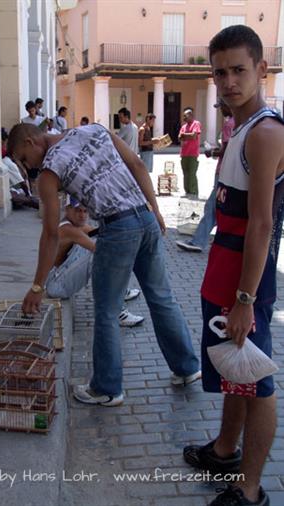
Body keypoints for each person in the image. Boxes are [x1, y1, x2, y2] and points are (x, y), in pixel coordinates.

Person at [7, 121, 201, 407]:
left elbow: (50, 235)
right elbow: (136, 163)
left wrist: (37, 285)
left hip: (118, 227)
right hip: (144, 219)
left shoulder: (49, 172)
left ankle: (107, 388)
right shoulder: (95, 130)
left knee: (107, 311)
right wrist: (155, 210)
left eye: (24, 159)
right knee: (162, 298)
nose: (28, 166)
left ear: (29, 143)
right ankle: (186, 368)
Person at [183, 25, 284, 506]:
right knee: (236, 372)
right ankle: (225, 451)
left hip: (246, 280)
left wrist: (245, 299)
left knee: (257, 381)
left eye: (239, 70)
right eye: (219, 72)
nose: (228, 81)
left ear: (261, 69)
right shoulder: (240, 126)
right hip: (225, 269)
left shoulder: (265, 131)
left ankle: (249, 489)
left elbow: (262, 224)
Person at [46, 196, 144, 327]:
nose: (82, 215)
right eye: (78, 211)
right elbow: (98, 249)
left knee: (102, 243)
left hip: (58, 278)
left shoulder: (75, 225)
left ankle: (121, 290)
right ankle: (118, 312)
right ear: (67, 209)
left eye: (85, 211)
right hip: (57, 286)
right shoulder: (68, 230)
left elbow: (101, 232)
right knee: (99, 257)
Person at [176, 100, 234, 252]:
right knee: (219, 209)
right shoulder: (241, 123)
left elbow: (226, 150)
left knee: (212, 208)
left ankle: (198, 241)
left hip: (224, 172)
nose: (221, 111)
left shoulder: (229, 124)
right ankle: (210, 239)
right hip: (232, 172)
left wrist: (212, 152)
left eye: (222, 107)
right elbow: (181, 136)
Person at [178, 107, 201, 197]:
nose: (184, 118)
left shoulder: (196, 124)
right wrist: (185, 136)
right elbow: (179, 137)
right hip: (184, 153)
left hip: (192, 153)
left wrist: (184, 135)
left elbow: (194, 136)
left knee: (192, 173)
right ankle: (187, 190)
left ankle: (193, 191)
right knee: (185, 173)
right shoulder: (184, 126)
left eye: (185, 116)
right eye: (183, 116)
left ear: (191, 115)